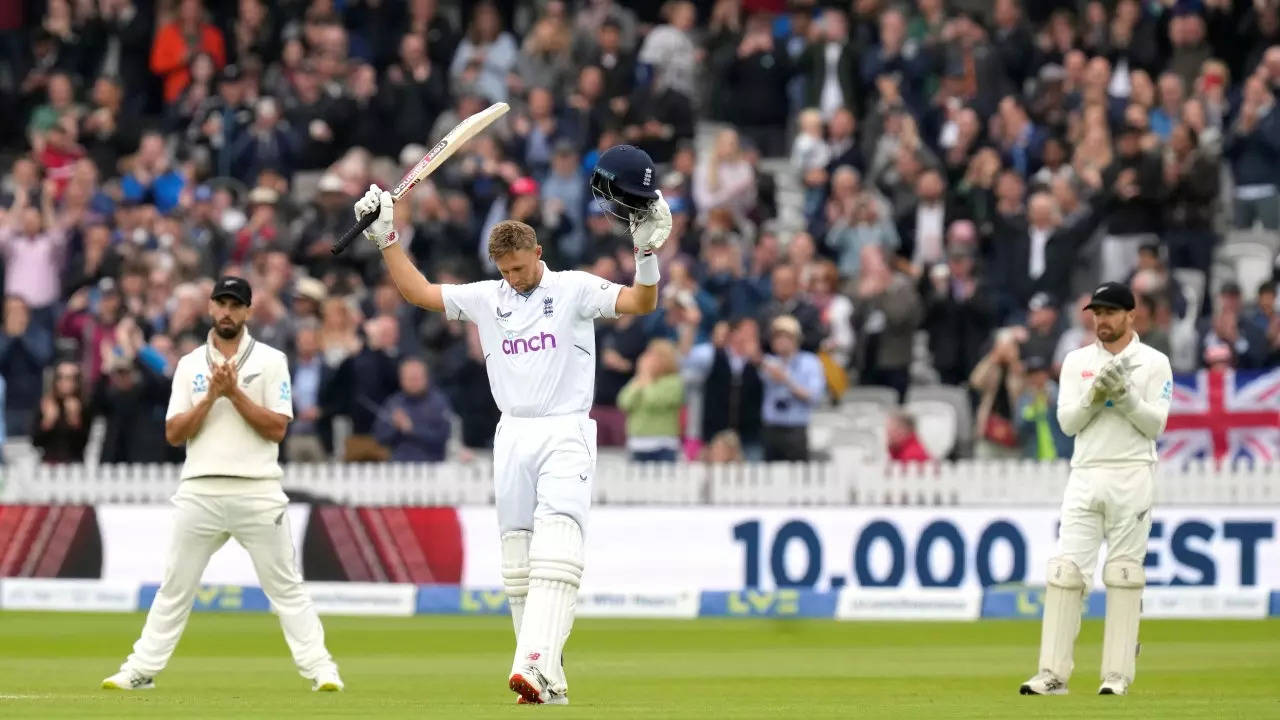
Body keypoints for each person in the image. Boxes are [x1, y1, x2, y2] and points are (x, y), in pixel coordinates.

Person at [356, 143, 670, 704]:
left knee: (557, 551)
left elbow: (642, 303)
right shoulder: (488, 297)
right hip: (513, 434)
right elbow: (419, 292)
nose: (514, 278)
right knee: (518, 565)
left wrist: (646, 255)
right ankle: (547, 678)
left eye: (520, 268)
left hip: (565, 429)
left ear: (537, 253)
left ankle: (532, 662)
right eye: (505, 270)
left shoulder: (572, 288)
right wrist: (386, 238)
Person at [101, 276, 342, 693]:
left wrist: (234, 395)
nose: (227, 311)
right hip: (200, 489)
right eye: (221, 303)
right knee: (175, 588)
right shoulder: (191, 363)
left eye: (236, 304)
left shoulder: (270, 361)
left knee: (286, 588)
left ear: (248, 312)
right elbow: (175, 433)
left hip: (258, 489)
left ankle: (322, 670)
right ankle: (140, 670)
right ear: (211, 308)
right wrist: (212, 396)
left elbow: (277, 429)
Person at [1021, 281, 1172, 697]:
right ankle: (1052, 674)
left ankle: (1116, 676)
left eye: (1109, 313)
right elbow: (1069, 424)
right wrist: (1094, 394)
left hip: (1132, 472)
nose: (1101, 321)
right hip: (1085, 472)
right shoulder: (1076, 362)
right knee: (1066, 572)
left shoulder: (1154, 362)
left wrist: (1123, 397)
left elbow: (1155, 426)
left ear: (1130, 315)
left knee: (1124, 575)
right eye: (1096, 313)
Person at [758, 315, 826, 461]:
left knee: (797, 475)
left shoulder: (810, 362)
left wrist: (786, 380)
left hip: (795, 428)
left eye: (786, 336)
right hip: (771, 427)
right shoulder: (768, 362)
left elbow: (813, 396)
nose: (781, 341)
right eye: (777, 337)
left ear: (796, 339)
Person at [372, 356, 453, 462]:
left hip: (432, 467)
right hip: (399, 467)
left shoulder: (438, 402)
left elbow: (443, 437)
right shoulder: (394, 402)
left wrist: (412, 429)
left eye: (416, 378)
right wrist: (395, 427)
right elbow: (379, 437)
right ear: (401, 380)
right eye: (409, 379)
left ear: (426, 378)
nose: (413, 383)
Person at [615, 337, 684, 462]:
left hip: (663, 446)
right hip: (637, 444)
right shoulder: (638, 381)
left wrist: (646, 378)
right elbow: (624, 402)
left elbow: (654, 400)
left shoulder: (673, 382)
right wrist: (639, 382)